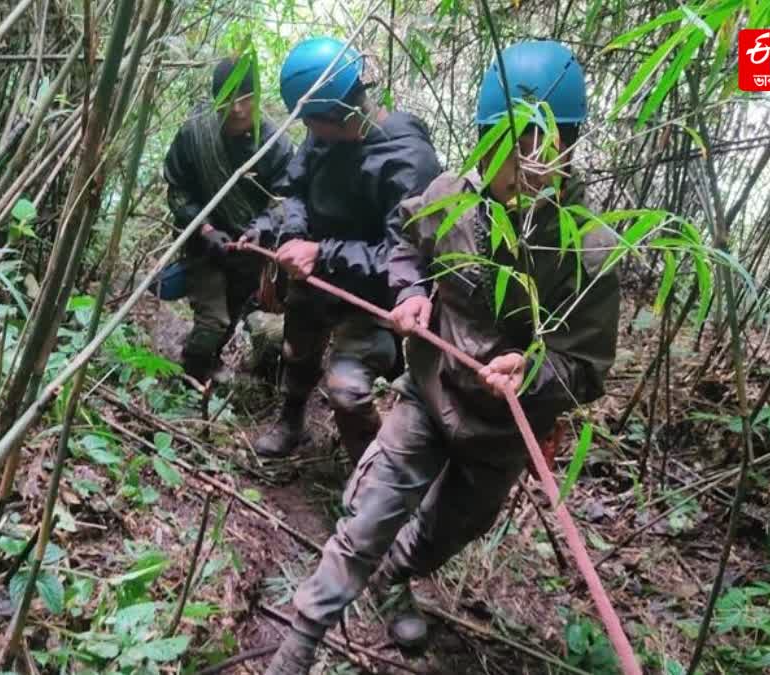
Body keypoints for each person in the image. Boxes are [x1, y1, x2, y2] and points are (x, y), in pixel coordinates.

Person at [265, 41, 621, 674]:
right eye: (509, 142)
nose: (526, 164)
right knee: (367, 521)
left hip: (504, 431)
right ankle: (296, 649)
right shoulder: (449, 195)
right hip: (428, 397)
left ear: (570, 144)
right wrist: (413, 294)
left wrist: (532, 371)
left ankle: (396, 579)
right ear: (485, 139)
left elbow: (587, 366)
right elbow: (405, 238)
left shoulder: (591, 250)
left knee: (446, 530)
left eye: (545, 145)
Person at [241, 36, 442, 462]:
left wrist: (322, 253)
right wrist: (294, 236)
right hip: (312, 284)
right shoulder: (322, 137)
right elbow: (292, 189)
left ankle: (371, 474)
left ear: (337, 114)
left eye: (311, 123)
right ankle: (291, 422)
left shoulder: (408, 161)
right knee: (298, 352)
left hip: (369, 300)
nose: (308, 133)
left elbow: (403, 257)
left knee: (347, 392)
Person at [163, 57, 295, 384]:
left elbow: (284, 200)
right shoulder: (195, 134)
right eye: (228, 97)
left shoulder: (274, 143)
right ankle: (188, 382)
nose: (237, 108)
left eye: (246, 96)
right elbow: (177, 190)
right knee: (214, 321)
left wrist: (259, 229)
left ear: (259, 96)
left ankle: (206, 363)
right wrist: (204, 227)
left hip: (249, 251)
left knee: (233, 315)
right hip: (202, 245)